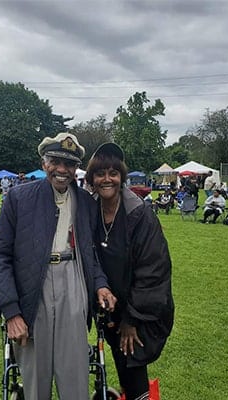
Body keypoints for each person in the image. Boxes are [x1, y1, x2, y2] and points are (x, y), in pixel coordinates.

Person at [0, 133, 116, 400]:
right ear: (44, 162)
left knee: (76, 378)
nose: (62, 170)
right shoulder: (18, 198)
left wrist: (101, 285)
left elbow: (90, 253)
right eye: (55, 161)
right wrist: (11, 312)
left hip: (74, 283)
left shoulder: (85, 203)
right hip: (33, 289)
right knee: (35, 379)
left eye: (69, 164)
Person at [85, 143, 174, 400]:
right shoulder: (90, 211)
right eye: (100, 173)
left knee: (132, 363)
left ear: (122, 177)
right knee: (119, 361)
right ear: (91, 178)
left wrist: (132, 319)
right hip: (108, 303)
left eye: (113, 173)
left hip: (138, 308)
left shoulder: (139, 213)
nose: (107, 179)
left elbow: (153, 269)